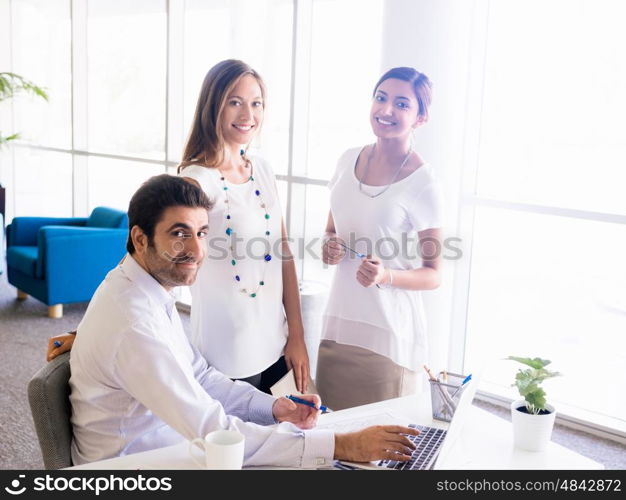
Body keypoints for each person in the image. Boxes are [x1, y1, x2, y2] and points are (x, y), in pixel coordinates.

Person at [68, 174, 418, 467]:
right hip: (133, 467)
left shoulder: (146, 288)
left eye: (202, 232)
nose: (196, 249)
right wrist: (341, 445)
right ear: (140, 239)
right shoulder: (135, 321)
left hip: (168, 444)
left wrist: (273, 407)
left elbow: (199, 376)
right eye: (179, 234)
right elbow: (215, 432)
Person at [48, 59, 310, 394]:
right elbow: (150, 258)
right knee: (235, 442)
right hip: (225, 350)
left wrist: (298, 337)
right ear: (213, 105)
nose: (248, 115)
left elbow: (283, 252)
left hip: (276, 340)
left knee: (287, 435)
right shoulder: (197, 180)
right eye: (235, 102)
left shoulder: (262, 169)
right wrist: (90, 328)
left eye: (256, 103)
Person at [317, 67, 444, 411]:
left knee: (377, 450)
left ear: (420, 118)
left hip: (387, 337)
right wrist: (328, 246)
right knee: (328, 440)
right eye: (381, 98)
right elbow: (332, 230)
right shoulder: (347, 160)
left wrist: (385, 275)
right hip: (337, 327)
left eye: (402, 104)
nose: (386, 110)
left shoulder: (422, 182)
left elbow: (433, 273)